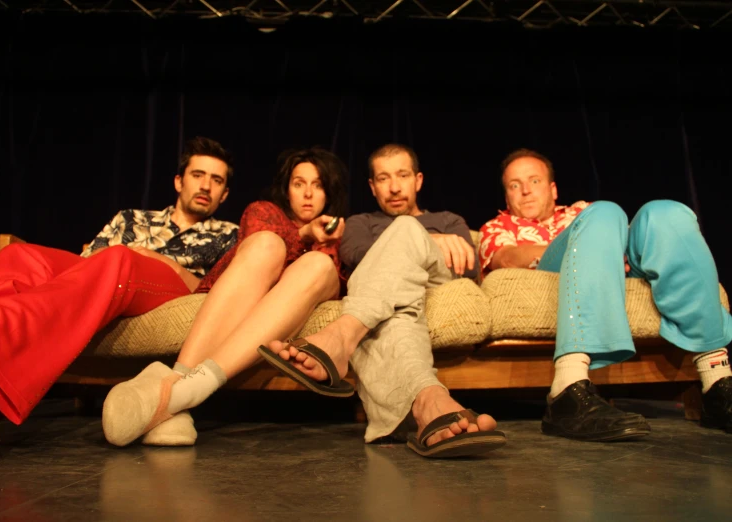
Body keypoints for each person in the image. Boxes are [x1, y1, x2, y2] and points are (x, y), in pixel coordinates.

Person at [0, 137, 238, 462]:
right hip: (107, 279)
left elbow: (222, 291)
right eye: (198, 175)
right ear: (178, 180)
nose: (206, 186)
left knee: (120, 259)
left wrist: (157, 262)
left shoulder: (230, 235)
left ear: (224, 194)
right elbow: (84, 267)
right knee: (20, 256)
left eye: (217, 180)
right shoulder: (130, 219)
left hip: (169, 290)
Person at [259, 144, 507, 458]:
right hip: (390, 292)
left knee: (405, 228)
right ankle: (427, 401)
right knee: (397, 309)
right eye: (383, 178)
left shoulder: (448, 220)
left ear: (418, 180)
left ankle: (342, 335)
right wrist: (426, 239)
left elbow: (467, 265)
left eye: (402, 176)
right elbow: (357, 257)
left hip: (435, 281)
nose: (393, 186)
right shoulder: (360, 223)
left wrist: (421, 237)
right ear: (372, 187)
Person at [101, 147, 348, 447]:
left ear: (328, 193)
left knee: (318, 264)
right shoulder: (264, 211)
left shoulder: (341, 235)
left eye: (318, 185)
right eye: (299, 183)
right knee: (268, 243)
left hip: (307, 287)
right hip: (254, 276)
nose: (308, 193)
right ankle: (180, 393)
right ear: (287, 190)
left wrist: (326, 242)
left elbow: (338, 276)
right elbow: (260, 250)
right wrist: (305, 234)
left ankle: (175, 393)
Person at [478, 148, 732, 440]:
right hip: (552, 268)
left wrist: (608, 247)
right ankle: (567, 391)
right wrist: (588, 243)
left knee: (666, 214)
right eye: (514, 185)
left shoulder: (580, 210)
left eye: (533, 181)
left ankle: (718, 386)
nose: (524, 191)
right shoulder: (498, 227)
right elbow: (508, 259)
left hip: (612, 261)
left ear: (553, 188)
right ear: (507, 196)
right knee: (604, 211)